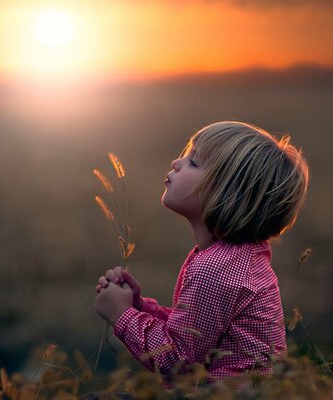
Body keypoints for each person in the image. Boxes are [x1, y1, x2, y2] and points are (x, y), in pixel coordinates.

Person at [94, 121, 310, 382]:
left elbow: (178, 362)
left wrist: (122, 315)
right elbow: (196, 333)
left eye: (193, 163)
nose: (176, 162)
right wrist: (139, 307)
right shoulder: (237, 258)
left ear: (228, 194)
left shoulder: (215, 268)